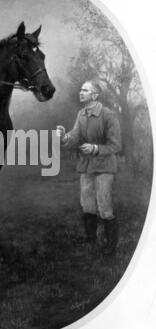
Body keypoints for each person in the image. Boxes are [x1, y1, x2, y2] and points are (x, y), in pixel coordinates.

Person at [57, 80, 122, 256]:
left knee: (104, 206)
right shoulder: (81, 114)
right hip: (86, 167)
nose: (81, 92)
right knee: (87, 204)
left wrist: (95, 149)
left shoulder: (108, 115)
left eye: (85, 90)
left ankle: (111, 246)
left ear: (95, 95)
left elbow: (116, 146)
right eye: (80, 89)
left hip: (104, 167)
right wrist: (64, 137)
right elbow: (75, 137)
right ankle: (90, 239)